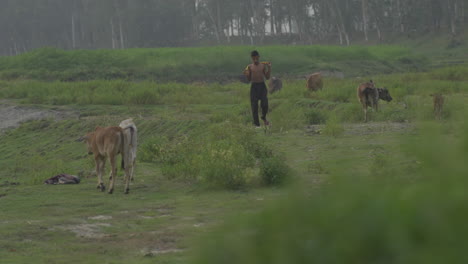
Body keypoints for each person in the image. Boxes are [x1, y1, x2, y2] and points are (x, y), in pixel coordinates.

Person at [244, 50, 271, 127]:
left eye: (256, 58)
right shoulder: (249, 67)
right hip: (254, 87)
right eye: (253, 58)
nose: (255, 60)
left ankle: (263, 116)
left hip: (262, 86)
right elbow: (249, 79)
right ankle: (256, 124)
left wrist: (269, 68)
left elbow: (267, 77)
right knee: (254, 105)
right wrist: (246, 74)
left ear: (258, 57)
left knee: (265, 103)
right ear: (252, 58)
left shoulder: (262, 66)